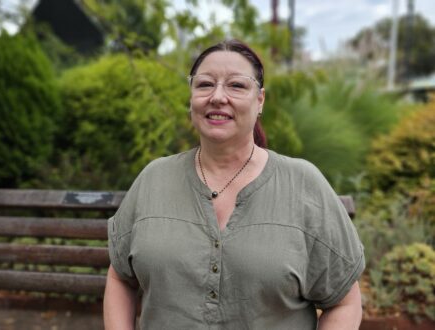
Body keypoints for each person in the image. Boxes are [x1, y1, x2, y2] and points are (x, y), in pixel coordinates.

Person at [103, 39, 365, 330]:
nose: (217, 97)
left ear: (260, 100)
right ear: (191, 97)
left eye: (236, 85)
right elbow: (120, 278)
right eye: (204, 84)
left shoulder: (303, 184)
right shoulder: (154, 178)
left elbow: (344, 301)